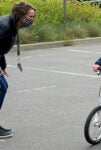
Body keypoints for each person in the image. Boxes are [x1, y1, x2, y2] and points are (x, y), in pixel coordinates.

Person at [0, 2, 35, 138]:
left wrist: (2, 66)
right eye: (28, 17)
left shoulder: (13, 25)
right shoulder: (5, 27)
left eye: (33, 17)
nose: (31, 20)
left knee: (3, 86)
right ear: (19, 15)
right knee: (2, 87)